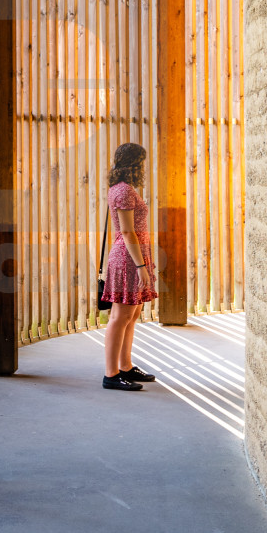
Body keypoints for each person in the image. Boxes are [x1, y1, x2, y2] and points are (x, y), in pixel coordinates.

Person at [100, 142, 158, 391]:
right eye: (141, 162)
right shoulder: (123, 191)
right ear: (135, 164)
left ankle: (125, 365)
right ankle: (111, 374)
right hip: (128, 259)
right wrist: (141, 265)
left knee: (131, 315)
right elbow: (126, 231)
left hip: (133, 256)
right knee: (120, 317)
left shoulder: (122, 188)